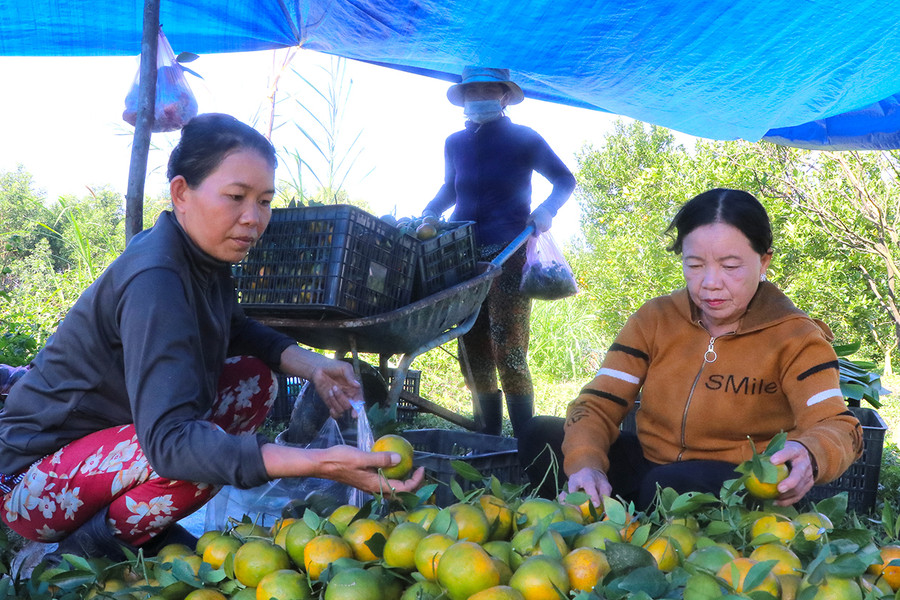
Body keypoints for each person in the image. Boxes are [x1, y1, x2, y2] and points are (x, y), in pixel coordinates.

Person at [0, 113, 424, 562]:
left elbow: (236, 328)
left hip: (112, 442)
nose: (253, 218)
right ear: (182, 193)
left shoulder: (201, 257)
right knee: (200, 460)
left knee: (254, 381)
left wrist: (313, 366)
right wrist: (321, 462)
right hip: (33, 480)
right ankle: (90, 545)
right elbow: (170, 443)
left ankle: (126, 523)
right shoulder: (156, 278)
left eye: (264, 201)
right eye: (236, 197)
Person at [518, 188, 863, 509]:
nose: (710, 282)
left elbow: (839, 425)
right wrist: (585, 464)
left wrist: (810, 453)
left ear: (764, 262)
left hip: (737, 481)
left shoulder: (796, 337)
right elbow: (598, 403)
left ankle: (638, 516)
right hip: (651, 464)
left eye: (730, 266)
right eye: (695, 265)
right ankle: (604, 511)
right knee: (540, 436)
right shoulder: (654, 319)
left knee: (669, 485)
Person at [422, 66, 576, 436]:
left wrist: (546, 210)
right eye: (471, 93)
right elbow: (450, 189)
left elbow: (564, 180)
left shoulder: (525, 139)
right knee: (472, 349)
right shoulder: (454, 143)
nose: (479, 99)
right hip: (463, 254)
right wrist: (429, 211)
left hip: (510, 250)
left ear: (504, 96)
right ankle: (486, 437)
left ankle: (526, 442)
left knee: (508, 349)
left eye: (487, 91)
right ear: (463, 98)